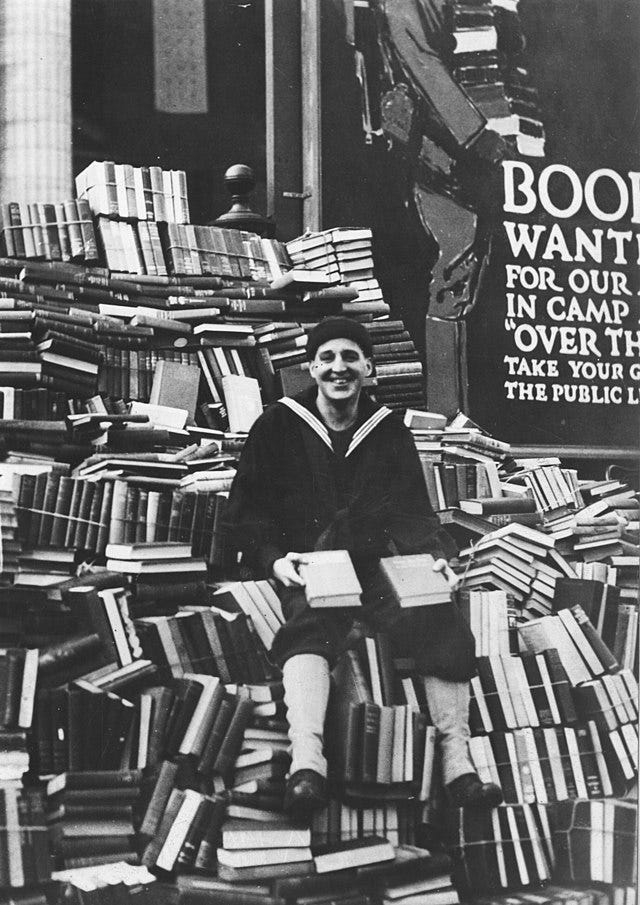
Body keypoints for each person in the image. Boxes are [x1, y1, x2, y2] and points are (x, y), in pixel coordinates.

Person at [226, 316, 502, 819]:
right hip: (309, 561)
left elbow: (414, 513)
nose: (339, 368)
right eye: (328, 357)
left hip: (374, 567)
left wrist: (440, 559)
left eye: (351, 357)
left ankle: (457, 765)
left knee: (439, 618)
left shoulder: (387, 429)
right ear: (312, 367)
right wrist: (275, 560)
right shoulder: (278, 424)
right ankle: (307, 765)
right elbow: (248, 511)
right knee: (309, 625)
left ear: (369, 367)